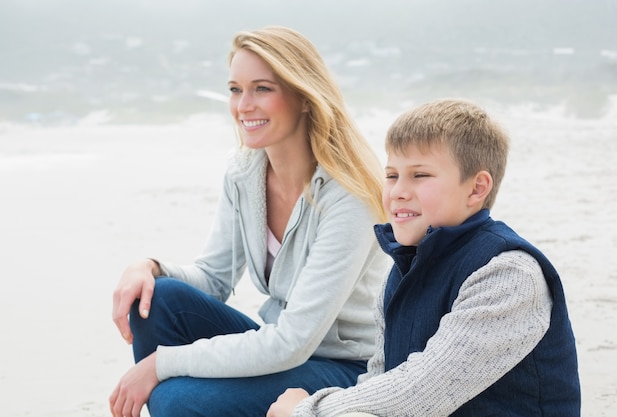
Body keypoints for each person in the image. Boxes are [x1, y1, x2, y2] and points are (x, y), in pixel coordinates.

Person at [109, 25, 391, 417]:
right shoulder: (245, 172)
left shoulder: (349, 196)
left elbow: (294, 341)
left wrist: (159, 365)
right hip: (283, 348)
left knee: (175, 399)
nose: (243, 105)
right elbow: (213, 278)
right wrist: (148, 267)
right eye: (235, 89)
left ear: (305, 98)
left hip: (346, 367)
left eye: (262, 88)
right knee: (158, 297)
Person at [267, 99, 581, 417]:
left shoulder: (508, 273)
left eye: (420, 175)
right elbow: (379, 380)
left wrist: (306, 409)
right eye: (391, 176)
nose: (398, 191)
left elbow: (420, 393)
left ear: (476, 188)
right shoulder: (403, 271)